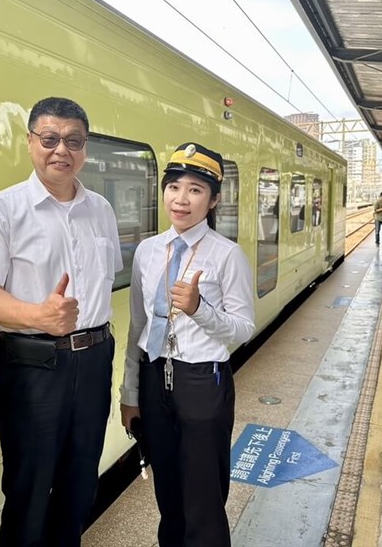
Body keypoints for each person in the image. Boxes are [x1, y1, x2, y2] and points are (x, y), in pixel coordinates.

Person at [0, 97, 123, 547]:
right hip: (30, 365)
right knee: (29, 489)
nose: (61, 150)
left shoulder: (101, 211)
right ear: (31, 142)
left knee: (79, 484)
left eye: (73, 141)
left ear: (85, 148)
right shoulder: (0, 210)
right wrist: (38, 315)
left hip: (94, 359)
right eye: (50, 139)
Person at [120, 143, 255, 547]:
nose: (181, 199)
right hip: (153, 374)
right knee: (168, 493)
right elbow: (138, 325)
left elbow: (244, 328)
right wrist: (130, 393)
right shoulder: (147, 251)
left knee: (203, 496)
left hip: (201, 380)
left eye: (196, 190)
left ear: (213, 200)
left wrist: (199, 309)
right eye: (174, 186)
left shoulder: (226, 255)